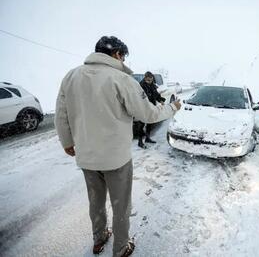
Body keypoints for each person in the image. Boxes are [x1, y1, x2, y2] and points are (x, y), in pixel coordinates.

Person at [54, 36, 181, 257]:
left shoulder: (71, 76)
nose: (123, 59)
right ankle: (121, 248)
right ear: (117, 54)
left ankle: (99, 236)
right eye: (123, 55)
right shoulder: (122, 80)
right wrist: (172, 107)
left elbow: (61, 115)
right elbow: (148, 114)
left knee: (96, 201)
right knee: (121, 205)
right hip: (116, 159)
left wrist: (67, 142)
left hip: (86, 157)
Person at [136, 71, 166, 148]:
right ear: (145, 78)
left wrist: (161, 100)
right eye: (148, 80)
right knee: (141, 124)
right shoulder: (140, 86)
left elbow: (156, 94)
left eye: (151, 80)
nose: (150, 82)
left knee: (150, 122)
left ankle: (147, 138)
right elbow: (140, 97)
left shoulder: (152, 85)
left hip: (151, 106)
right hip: (143, 107)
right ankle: (140, 142)